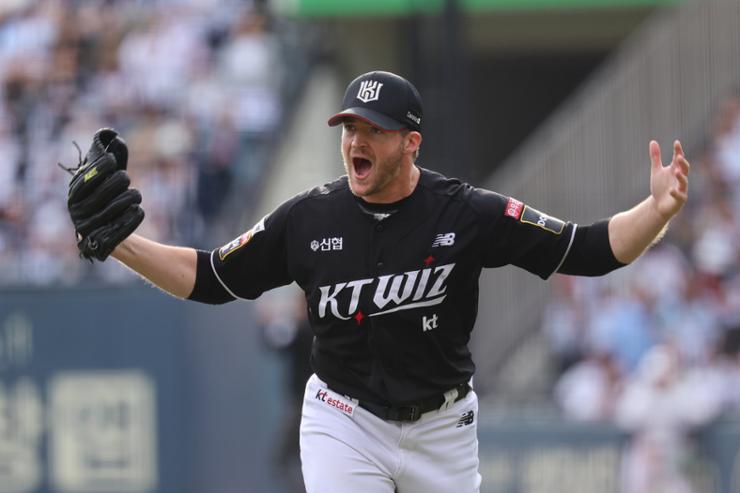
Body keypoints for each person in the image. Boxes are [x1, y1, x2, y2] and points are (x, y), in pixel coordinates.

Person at [81, 71, 690, 492]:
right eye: (349, 129)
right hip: (345, 416)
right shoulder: (308, 217)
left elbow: (587, 250)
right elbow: (214, 276)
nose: (356, 141)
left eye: (373, 129)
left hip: (444, 429)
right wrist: (123, 245)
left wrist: (656, 211)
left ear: (411, 142)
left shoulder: (467, 212)